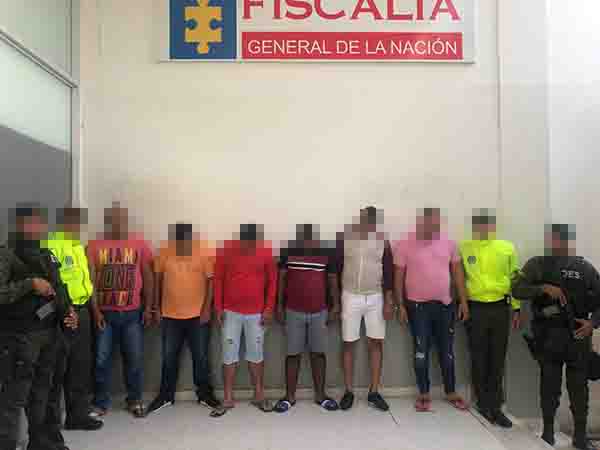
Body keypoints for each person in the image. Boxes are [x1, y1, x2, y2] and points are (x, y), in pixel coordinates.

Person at [512, 224, 600, 450]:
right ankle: (548, 433)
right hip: (548, 336)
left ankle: (579, 437)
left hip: (578, 337)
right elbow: (516, 289)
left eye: (560, 239)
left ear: (567, 241)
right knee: (549, 388)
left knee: (579, 390)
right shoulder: (537, 265)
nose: (556, 243)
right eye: (552, 239)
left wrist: (592, 323)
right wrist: (542, 288)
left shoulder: (584, 268)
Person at [0, 205, 78, 450]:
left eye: (40, 223)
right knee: (14, 397)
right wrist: (30, 284)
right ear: (19, 225)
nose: (38, 228)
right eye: (31, 223)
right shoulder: (6, 254)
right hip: (20, 336)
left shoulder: (46, 253)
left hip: (49, 333)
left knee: (43, 394)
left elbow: (60, 286)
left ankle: (40, 442)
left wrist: (70, 312)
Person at [393, 207, 470, 412]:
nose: (431, 227)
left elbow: (458, 274)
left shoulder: (449, 243)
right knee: (421, 351)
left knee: (447, 352)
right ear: (420, 222)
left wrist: (463, 302)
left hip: (445, 306)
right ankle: (424, 394)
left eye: (435, 223)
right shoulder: (404, 244)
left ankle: (451, 392)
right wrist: (400, 305)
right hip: (417, 307)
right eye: (428, 223)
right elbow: (398, 277)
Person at [145, 223, 220, 415]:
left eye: (186, 241)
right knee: (168, 358)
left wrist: (207, 309)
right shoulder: (164, 251)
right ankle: (165, 396)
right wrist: (156, 308)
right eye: (179, 241)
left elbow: (211, 281)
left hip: (197, 315)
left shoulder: (204, 251)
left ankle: (205, 395)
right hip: (170, 315)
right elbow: (157, 280)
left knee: (201, 358)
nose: (183, 245)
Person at [87, 203, 154, 418]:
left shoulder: (139, 245)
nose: (117, 222)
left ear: (126, 220)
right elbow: (90, 283)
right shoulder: (94, 246)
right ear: (107, 221)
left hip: (133, 314)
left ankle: (134, 400)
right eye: (113, 218)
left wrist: (149, 307)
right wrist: (96, 312)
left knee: (135, 360)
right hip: (105, 315)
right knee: (101, 360)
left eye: (121, 218)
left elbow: (148, 277)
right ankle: (100, 403)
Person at [43, 207, 104, 436]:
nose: (77, 227)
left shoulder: (77, 245)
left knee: (80, 365)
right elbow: (53, 283)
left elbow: (85, 280)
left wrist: (90, 309)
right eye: (72, 222)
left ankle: (77, 415)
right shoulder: (52, 245)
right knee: (57, 369)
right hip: (62, 314)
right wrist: (66, 311)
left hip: (83, 310)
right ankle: (50, 423)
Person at [459, 209, 522, 428]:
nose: (483, 228)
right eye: (479, 224)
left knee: (497, 357)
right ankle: (483, 403)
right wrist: (462, 303)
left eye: (487, 224)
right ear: (474, 226)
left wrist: (516, 309)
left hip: (500, 308)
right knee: (478, 356)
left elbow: (515, 279)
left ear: (492, 226)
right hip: (475, 308)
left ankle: (496, 407)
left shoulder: (506, 248)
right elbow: (459, 278)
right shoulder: (465, 248)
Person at [274, 224, 340, 413]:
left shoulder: (326, 253)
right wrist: (279, 306)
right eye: (304, 238)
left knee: (318, 354)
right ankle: (289, 397)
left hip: (319, 312)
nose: (308, 241)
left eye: (311, 238)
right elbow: (281, 280)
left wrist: (336, 305)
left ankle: (321, 396)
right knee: (292, 354)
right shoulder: (288, 252)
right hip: (293, 312)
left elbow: (332, 280)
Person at [214, 224, 277, 413]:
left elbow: (273, 282)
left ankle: (259, 396)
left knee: (256, 354)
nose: (248, 246)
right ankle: (228, 398)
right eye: (245, 242)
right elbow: (218, 279)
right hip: (230, 313)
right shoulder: (226, 250)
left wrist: (269, 308)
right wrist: (218, 307)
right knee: (228, 355)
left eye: (252, 242)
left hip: (256, 314)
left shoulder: (266, 252)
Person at [336, 206, 394, 412]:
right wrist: (336, 301)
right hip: (350, 295)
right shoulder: (345, 238)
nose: (365, 222)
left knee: (376, 343)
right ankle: (348, 391)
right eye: (362, 218)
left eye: (370, 219)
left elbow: (388, 271)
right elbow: (336, 269)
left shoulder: (383, 240)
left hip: (375, 297)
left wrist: (389, 301)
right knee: (348, 343)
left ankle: (374, 392)